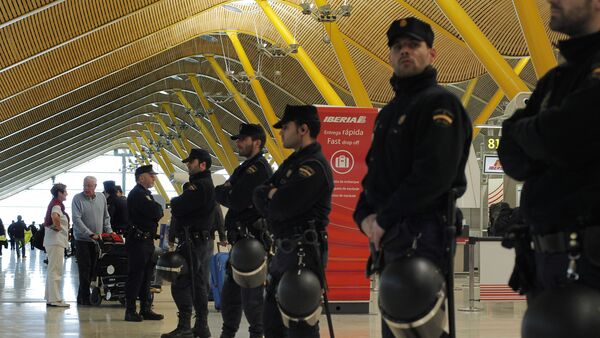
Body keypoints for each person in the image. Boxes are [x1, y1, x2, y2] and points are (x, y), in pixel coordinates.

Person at [353, 17, 472, 338]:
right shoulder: (390, 111)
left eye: (414, 45)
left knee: (420, 329)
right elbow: (375, 174)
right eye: (398, 46)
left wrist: (384, 219)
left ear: (431, 54)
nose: (405, 51)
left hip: (424, 234)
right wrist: (363, 215)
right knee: (398, 327)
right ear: (390, 55)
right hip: (392, 240)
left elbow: (433, 174)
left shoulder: (439, 103)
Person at [498, 0, 600, 299]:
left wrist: (525, 132)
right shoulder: (555, 80)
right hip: (544, 261)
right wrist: (537, 135)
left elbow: (565, 137)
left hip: (589, 265)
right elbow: (513, 159)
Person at [253, 105, 334, 338]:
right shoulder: (293, 163)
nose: (281, 133)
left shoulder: (313, 167)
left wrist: (273, 196)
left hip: (303, 252)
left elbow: (281, 207)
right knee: (272, 322)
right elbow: (259, 193)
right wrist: (271, 194)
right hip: (284, 251)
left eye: (285, 127)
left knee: (299, 325)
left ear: (303, 129)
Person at [215, 123, 273, 338]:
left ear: (257, 142)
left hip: (252, 241)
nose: (238, 143)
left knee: (252, 297)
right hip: (240, 242)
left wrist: (225, 192)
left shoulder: (257, 169)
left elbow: (236, 200)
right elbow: (224, 193)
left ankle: (257, 334)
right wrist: (224, 192)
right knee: (230, 294)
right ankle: (228, 333)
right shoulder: (244, 168)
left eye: (243, 139)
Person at [162, 149, 216, 338]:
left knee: (181, 282)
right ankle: (202, 325)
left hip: (193, 242)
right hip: (200, 241)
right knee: (199, 283)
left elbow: (177, 205)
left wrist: (176, 200)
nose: (188, 165)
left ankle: (185, 324)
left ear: (203, 165)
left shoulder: (199, 186)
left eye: (191, 162)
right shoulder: (204, 185)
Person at [125, 165, 164, 322]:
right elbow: (156, 211)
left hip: (146, 241)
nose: (154, 178)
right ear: (141, 177)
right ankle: (130, 310)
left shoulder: (145, 193)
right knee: (136, 276)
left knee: (147, 276)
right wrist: (157, 210)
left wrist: (158, 210)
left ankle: (146, 308)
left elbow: (158, 210)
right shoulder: (137, 194)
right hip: (138, 242)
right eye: (151, 175)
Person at [72, 176, 113, 306]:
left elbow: (106, 217)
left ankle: (83, 296)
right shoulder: (77, 199)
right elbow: (76, 220)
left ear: (95, 186)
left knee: (94, 269)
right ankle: (84, 297)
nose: (86, 189)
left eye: (89, 186)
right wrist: (89, 234)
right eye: (84, 185)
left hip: (97, 240)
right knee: (85, 268)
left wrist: (110, 232)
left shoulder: (101, 198)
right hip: (82, 240)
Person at [44, 183, 71, 307]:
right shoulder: (56, 204)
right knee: (56, 270)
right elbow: (55, 216)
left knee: (52, 269)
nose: (66, 194)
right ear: (59, 193)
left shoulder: (54, 203)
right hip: (56, 241)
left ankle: (50, 298)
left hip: (53, 242)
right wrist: (58, 227)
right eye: (65, 191)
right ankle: (55, 299)